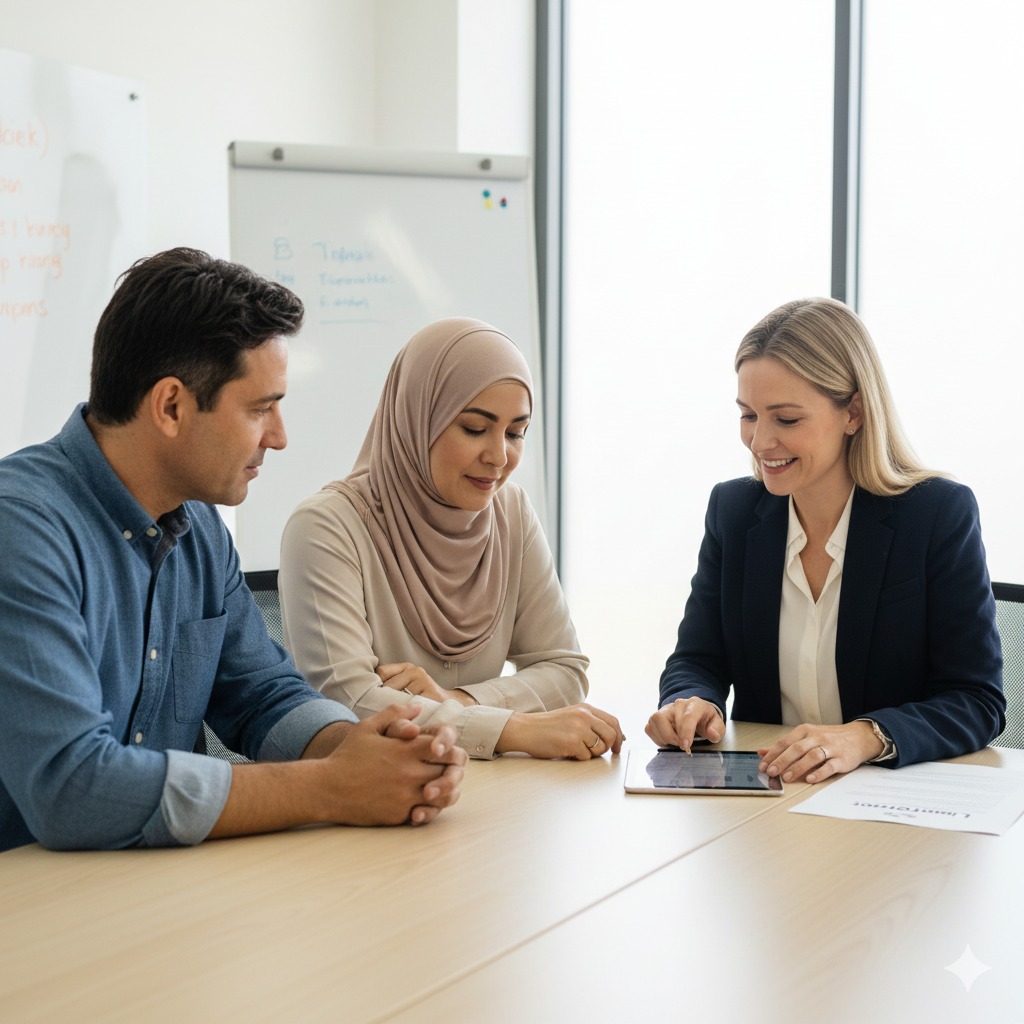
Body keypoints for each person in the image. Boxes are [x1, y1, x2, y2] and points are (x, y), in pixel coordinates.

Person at [0, 248, 465, 853]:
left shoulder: (198, 524)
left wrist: (360, 746)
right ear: (171, 406)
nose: (279, 436)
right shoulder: (22, 530)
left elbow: (261, 694)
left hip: (156, 891)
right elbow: (73, 789)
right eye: (260, 408)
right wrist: (330, 788)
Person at [646, 297, 1004, 783]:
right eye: (748, 415)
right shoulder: (733, 512)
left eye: (786, 419)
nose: (759, 442)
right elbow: (698, 657)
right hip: (772, 796)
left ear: (852, 412)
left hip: (888, 798)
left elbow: (977, 700)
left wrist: (864, 736)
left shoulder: (937, 514)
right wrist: (691, 701)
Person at [279, 317, 623, 760]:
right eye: (475, 429)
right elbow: (348, 703)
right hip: (364, 803)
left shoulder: (510, 512)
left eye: (516, 433)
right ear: (419, 419)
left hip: (476, 793)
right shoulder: (325, 527)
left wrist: (458, 700)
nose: (499, 456)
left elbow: (564, 670)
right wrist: (511, 729)